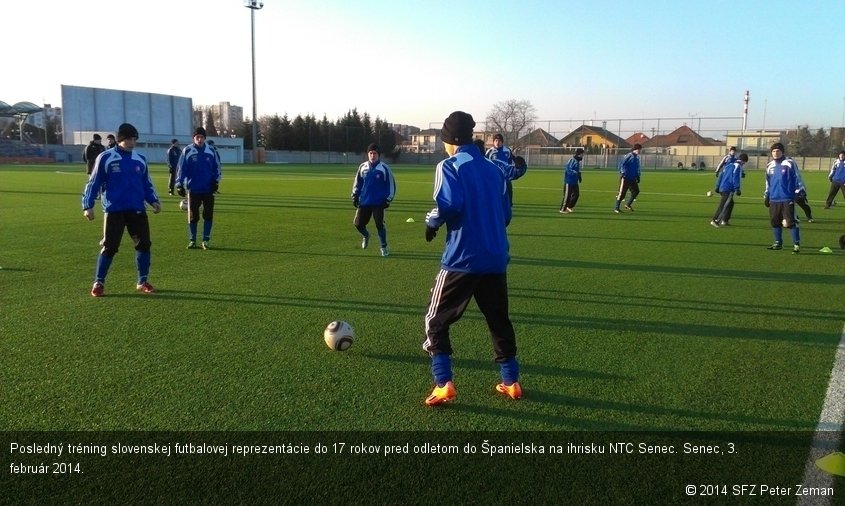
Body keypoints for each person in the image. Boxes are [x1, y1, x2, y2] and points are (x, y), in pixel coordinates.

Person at [422, 111, 520, 406]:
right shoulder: (494, 169)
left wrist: (431, 222)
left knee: (435, 320)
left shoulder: (449, 165)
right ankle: (511, 381)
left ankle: (443, 383)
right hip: (495, 256)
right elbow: (505, 215)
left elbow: (449, 205)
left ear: (450, 141)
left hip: (462, 258)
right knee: (498, 319)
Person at [81, 123, 161, 297]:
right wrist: (88, 205)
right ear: (121, 139)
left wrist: (153, 200)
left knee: (144, 246)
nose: (132, 142)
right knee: (110, 247)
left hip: (137, 209)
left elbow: (146, 183)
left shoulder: (140, 159)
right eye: (129, 139)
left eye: (134, 139)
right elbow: (93, 182)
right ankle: (99, 282)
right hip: (114, 210)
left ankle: (143, 281)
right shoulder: (106, 157)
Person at [175, 127, 222, 250]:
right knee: (193, 217)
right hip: (193, 189)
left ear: (205, 138)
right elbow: (181, 168)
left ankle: (206, 240)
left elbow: (217, 168)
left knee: (208, 215)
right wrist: (179, 184)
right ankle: (192, 240)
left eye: (202, 137)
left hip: (208, 189)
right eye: (197, 137)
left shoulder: (211, 151)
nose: (199, 139)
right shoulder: (187, 151)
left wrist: (216, 182)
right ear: (193, 138)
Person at [351, 143, 396, 257]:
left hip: (378, 202)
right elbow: (357, 182)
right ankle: (366, 235)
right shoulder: (362, 167)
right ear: (368, 154)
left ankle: (383, 247)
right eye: (370, 153)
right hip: (364, 201)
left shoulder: (384, 168)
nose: (372, 155)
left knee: (379, 224)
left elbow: (391, 185)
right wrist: (355, 195)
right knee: (358, 224)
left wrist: (388, 199)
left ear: (378, 155)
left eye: (374, 153)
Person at [763, 142, 801, 253]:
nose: (775, 153)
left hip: (787, 197)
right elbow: (767, 182)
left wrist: (799, 191)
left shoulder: (789, 163)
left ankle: (796, 244)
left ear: (782, 152)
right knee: (775, 221)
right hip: (774, 198)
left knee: (790, 222)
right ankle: (778, 243)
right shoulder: (769, 166)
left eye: (778, 151)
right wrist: (766, 195)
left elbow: (797, 177)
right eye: (773, 151)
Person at [710, 153, 747, 227]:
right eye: (744, 163)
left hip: (722, 187)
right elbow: (735, 178)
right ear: (743, 161)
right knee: (724, 204)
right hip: (728, 188)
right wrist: (737, 189)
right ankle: (715, 220)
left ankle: (724, 220)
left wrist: (717, 187)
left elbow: (721, 176)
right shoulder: (738, 167)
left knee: (730, 204)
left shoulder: (728, 166)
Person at [486, 133, 518, 205]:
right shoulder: (490, 151)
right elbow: (486, 163)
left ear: (502, 142)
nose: (497, 142)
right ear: (493, 142)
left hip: (505, 176)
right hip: (494, 176)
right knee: (494, 191)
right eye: (496, 140)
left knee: (509, 188)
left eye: (499, 141)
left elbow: (510, 162)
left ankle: (509, 203)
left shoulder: (507, 150)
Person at [613, 144, 641, 213]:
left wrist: (638, 176)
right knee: (622, 193)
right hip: (626, 177)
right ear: (635, 149)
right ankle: (616, 208)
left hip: (632, 178)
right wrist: (623, 172)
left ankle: (628, 204)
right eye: (639, 149)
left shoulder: (637, 158)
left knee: (636, 191)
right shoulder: (629, 156)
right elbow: (622, 164)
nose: (640, 151)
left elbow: (637, 168)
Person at [560, 148, 584, 213]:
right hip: (569, 181)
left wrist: (579, 175)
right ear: (579, 154)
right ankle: (562, 209)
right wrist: (575, 173)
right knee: (567, 195)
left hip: (574, 182)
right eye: (582, 154)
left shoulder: (577, 161)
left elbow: (576, 170)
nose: (583, 155)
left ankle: (569, 206)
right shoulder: (572, 160)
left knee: (576, 194)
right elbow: (568, 169)